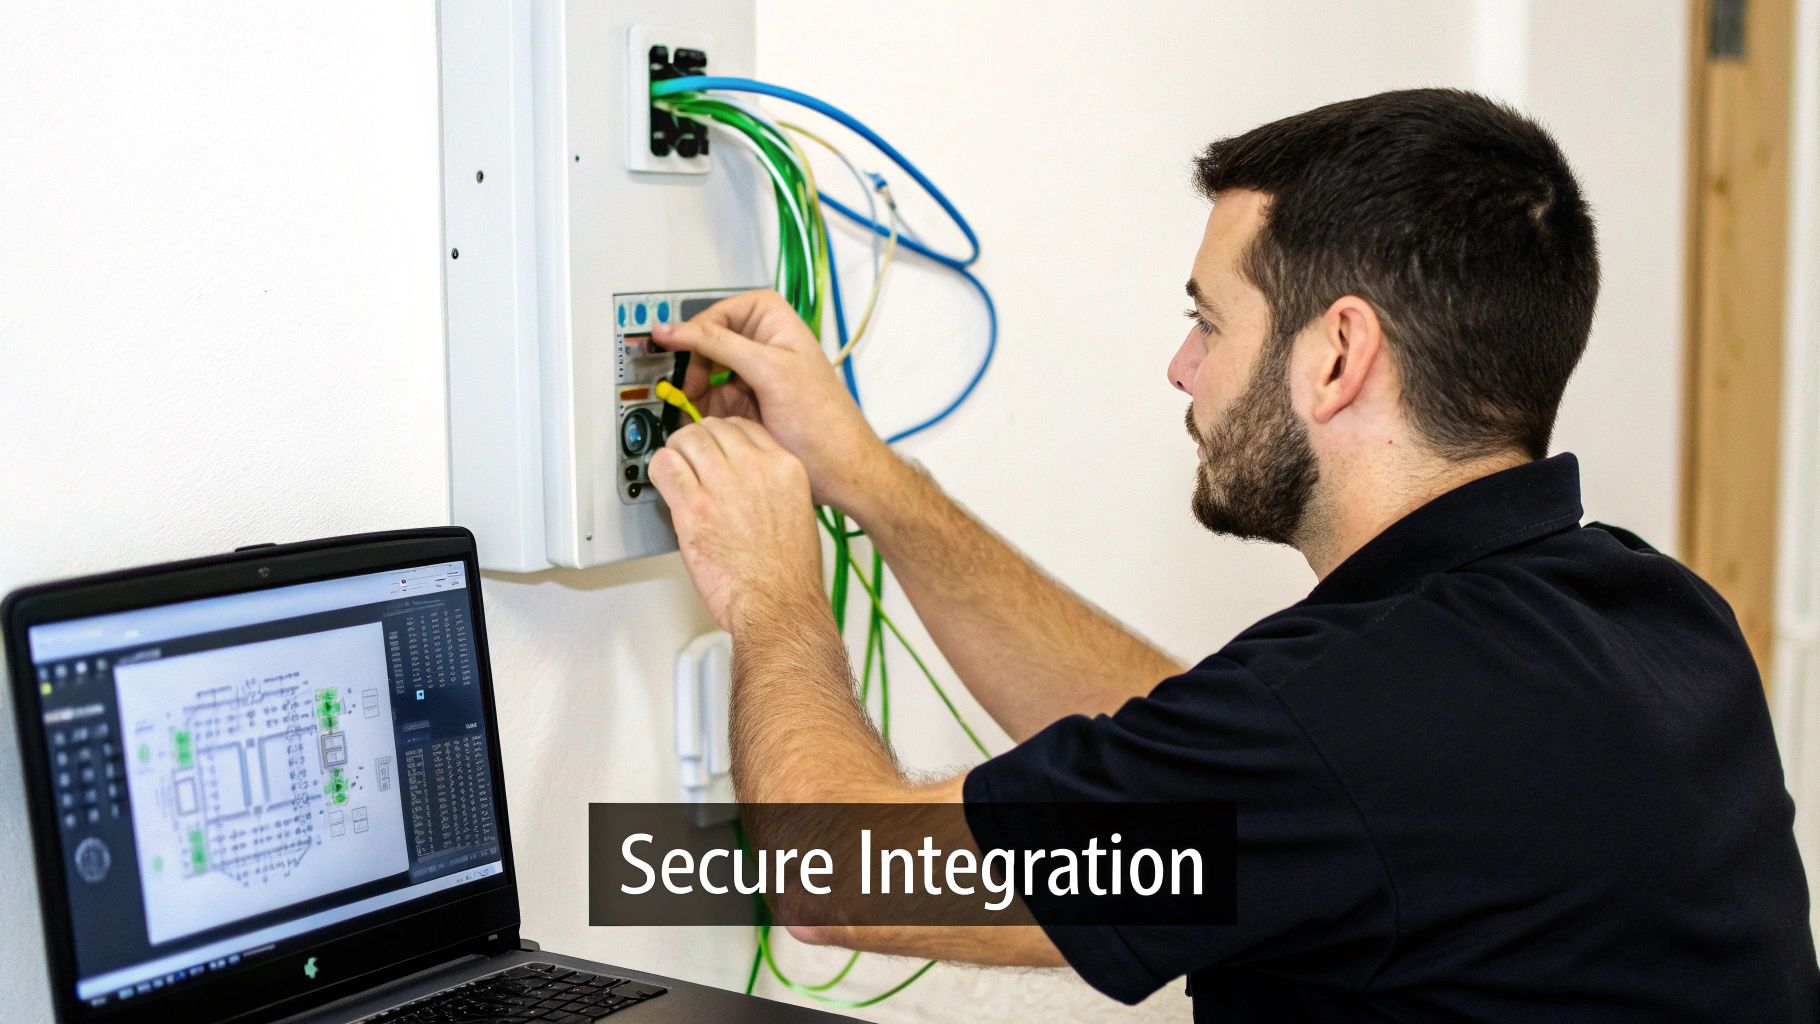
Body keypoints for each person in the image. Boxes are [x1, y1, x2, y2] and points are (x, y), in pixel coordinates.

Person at [642, 88, 1819, 1020]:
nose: (1180, 366)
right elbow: (1210, 757)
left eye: (1207, 318)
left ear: (1335, 353)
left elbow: (840, 876)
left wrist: (771, 591)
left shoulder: (1352, 723)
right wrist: (870, 482)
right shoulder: (1647, 614)